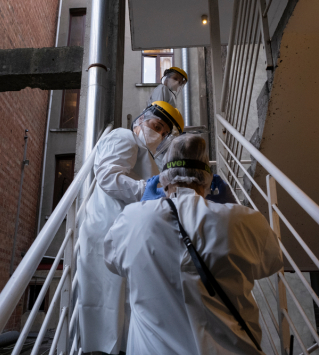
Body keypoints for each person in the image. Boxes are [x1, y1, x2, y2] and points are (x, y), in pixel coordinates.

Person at [104, 134, 283, 355]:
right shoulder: (245, 220)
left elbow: (112, 261)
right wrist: (233, 214)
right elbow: (272, 261)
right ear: (208, 178)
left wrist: (142, 213)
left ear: (163, 178)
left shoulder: (131, 219)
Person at [77, 101, 184, 354]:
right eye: (155, 126)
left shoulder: (143, 152)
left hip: (121, 232)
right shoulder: (125, 137)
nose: (158, 134)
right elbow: (109, 177)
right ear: (140, 120)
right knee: (108, 305)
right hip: (108, 227)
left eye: (164, 132)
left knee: (119, 305)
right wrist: (150, 190)